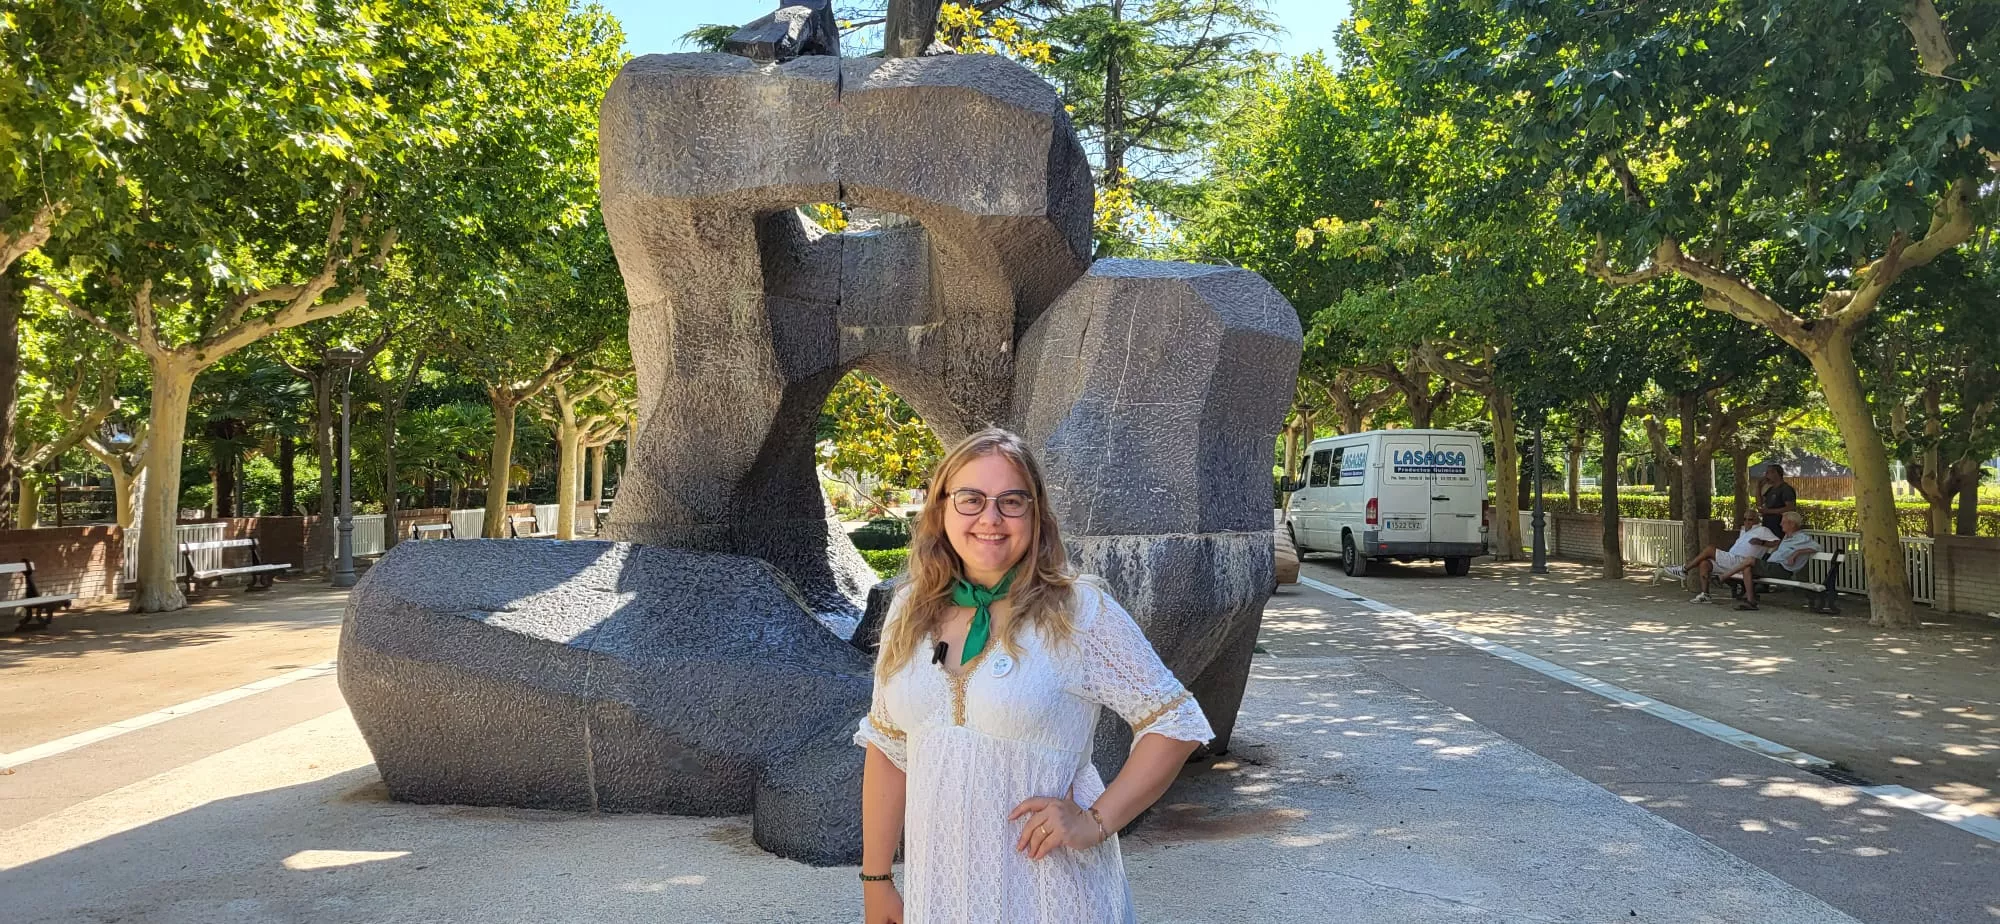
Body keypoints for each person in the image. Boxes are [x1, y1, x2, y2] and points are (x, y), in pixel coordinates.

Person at [854, 428, 1212, 924]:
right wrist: (877, 880)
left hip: (1051, 900)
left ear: (1036, 513)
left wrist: (1095, 821)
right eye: (971, 499)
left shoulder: (1076, 612)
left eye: (1012, 501)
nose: (991, 518)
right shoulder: (908, 610)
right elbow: (889, 746)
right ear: (940, 509)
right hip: (941, 897)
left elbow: (1174, 719)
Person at [1655, 511, 1778, 603]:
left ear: (1757, 520)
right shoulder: (1744, 531)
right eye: (1745, 519)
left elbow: (1777, 543)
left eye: (1750, 519)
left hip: (1741, 561)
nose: (1747, 522)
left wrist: (1762, 543)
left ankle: (1684, 569)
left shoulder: (1762, 530)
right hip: (1731, 560)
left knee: (1710, 549)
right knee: (1705, 563)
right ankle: (1705, 594)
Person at [1727, 511, 1820, 611]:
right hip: (1773, 566)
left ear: (1792, 524)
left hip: (1781, 569)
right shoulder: (1787, 537)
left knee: (1750, 560)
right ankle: (1751, 601)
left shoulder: (1801, 537)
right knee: (1747, 568)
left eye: (1783, 522)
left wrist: (1796, 553)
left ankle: (1724, 576)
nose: (1780, 524)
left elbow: (1817, 547)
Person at [1757, 463, 1798, 536]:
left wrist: (1769, 511)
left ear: (1775, 473)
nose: (1766, 476)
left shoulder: (1786, 489)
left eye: (1768, 473)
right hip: (1768, 526)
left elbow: (1790, 508)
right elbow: (1760, 504)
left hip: (1780, 527)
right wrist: (1758, 487)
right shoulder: (1770, 490)